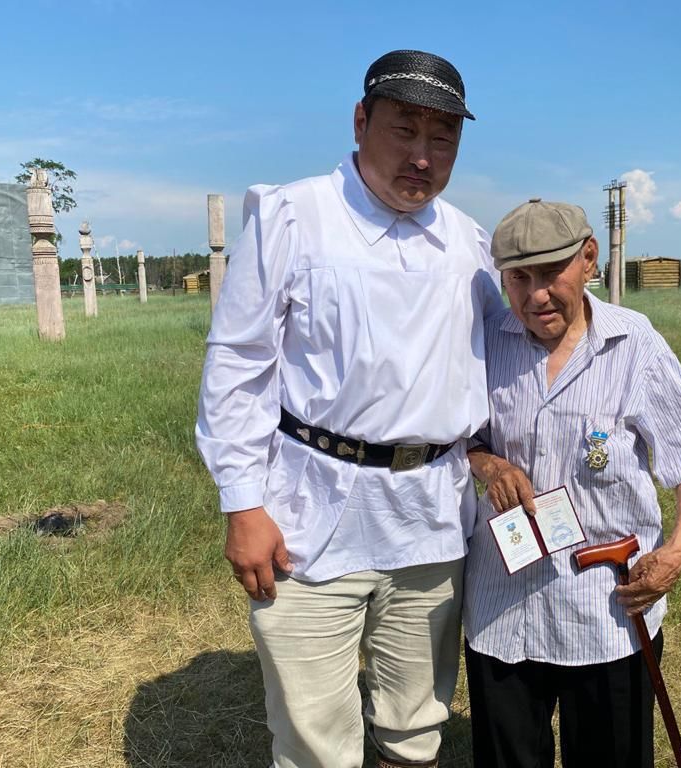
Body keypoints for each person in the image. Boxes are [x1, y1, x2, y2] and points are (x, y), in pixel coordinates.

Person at [196, 50, 502, 768]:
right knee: (314, 737)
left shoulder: (468, 243)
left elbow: (516, 348)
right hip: (308, 515)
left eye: (443, 138)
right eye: (404, 130)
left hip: (430, 519)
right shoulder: (295, 217)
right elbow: (238, 362)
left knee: (415, 724)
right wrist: (243, 503)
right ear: (361, 121)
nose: (422, 157)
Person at [462, 199, 681, 768]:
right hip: (504, 603)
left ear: (588, 259)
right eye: (518, 278)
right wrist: (491, 466)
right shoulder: (486, 342)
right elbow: (461, 437)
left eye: (550, 273)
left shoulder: (633, 343)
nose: (536, 295)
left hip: (607, 607)